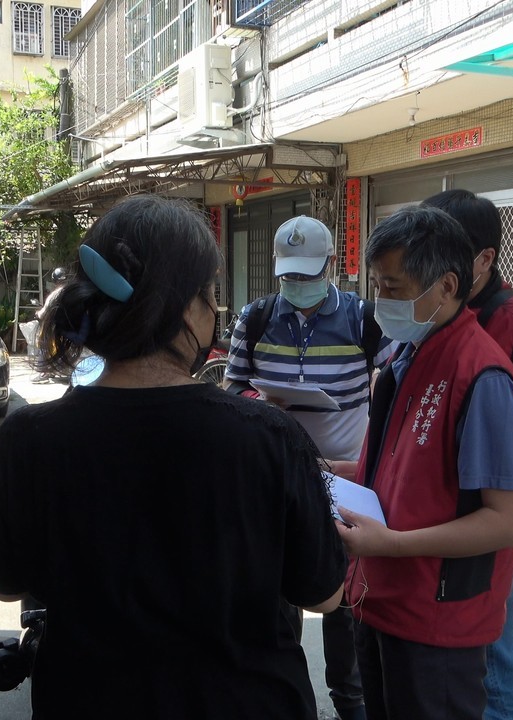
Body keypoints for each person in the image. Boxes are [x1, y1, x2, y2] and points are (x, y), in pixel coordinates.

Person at [0, 194, 346, 719]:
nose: (213, 309)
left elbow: (4, 581)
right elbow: (324, 595)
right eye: (210, 293)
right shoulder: (267, 436)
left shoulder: (26, 439)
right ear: (186, 306)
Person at [335, 205, 513, 720]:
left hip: (436, 621)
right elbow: (403, 475)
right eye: (376, 285)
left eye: (394, 288)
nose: (381, 301)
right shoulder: (408, 354)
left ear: (446, 286)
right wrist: (331, 472)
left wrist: (393, 545)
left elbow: (507, 520)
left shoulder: (481, 376)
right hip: (381, 598)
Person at [224, 215, 394, 720]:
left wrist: (366, 462)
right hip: (275, 478)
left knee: (343, 598)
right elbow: (232, 387)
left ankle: (350, 702)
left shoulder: (364, 319)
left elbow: (394, 384)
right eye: (290, 275)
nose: (298, 284)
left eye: (308, 274)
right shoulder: (255, 318)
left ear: (331, 265)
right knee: (278, 594)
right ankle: (285, 699)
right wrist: (260, 403)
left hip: (343, 480)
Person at [422, 189, 513, 720]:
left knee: (492, 659)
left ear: (483, 259)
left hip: (487, 524)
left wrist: (481, 509)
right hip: (434, 519)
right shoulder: (433, 316)